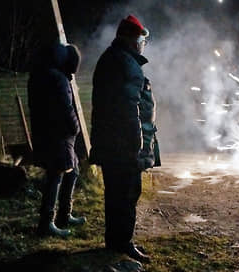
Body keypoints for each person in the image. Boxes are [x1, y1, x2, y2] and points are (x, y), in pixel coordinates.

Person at [90, 15, 160, 263]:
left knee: (116, 196)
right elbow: (130, 110)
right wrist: (137, 145)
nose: (143, 43)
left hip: (114, 145)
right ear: (133, 38)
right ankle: (122, 244)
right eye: (141, 38)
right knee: (127, 196)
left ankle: (115, 242)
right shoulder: (126, 64)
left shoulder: (113, 59)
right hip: (125, 148)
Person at [28, 42, 86, 237]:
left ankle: (63, 215)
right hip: (59, 136)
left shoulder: (39, 75)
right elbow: (65, 109)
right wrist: (75, 127)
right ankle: (48, 222)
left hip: (47, 134)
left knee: (72, 170)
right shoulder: (58, 79)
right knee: (56, 176)